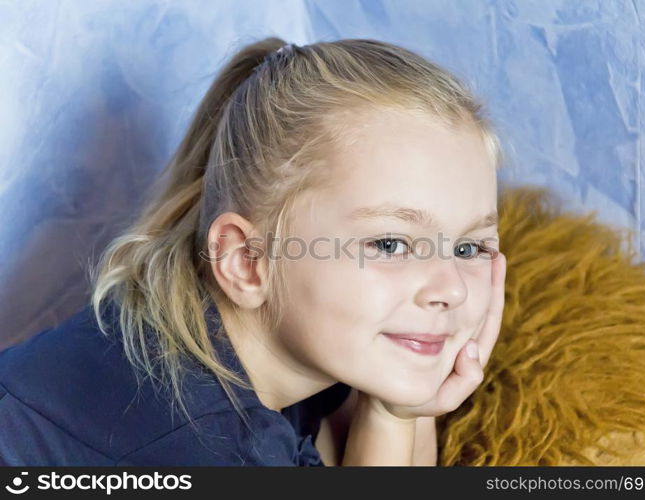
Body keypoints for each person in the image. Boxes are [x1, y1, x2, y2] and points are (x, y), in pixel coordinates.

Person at [0, 37, 507, 466]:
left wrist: (398, 408)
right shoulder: (211, 449)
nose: (452, 288)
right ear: (245, 261)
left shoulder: (240, 336)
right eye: (390, 243)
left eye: (469, 246)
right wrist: (400, 411)